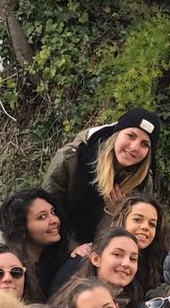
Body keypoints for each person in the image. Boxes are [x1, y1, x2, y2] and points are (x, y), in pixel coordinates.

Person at [46, 106, 161, 254]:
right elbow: (47, 212)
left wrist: (117, 215)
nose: (134, 147)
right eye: (130, 136)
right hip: (59, 246)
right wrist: (73, 246)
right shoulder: (72, 158)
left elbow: (136, 235)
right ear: (116, 134)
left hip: (108, 253)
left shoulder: (143, 182)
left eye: (145, 144)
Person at [0, 186, 71, 297]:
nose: (55, 220)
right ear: (21, 228)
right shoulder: (7, 271)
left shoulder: (56, 260)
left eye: (53, 212)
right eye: (42, 217)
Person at [51, 228, 143, 302]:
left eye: (133, 259)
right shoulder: (72, 303)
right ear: (96, 259)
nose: (126, 263)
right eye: (117, 254)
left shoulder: (136, 302)